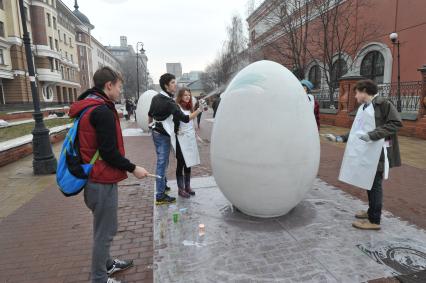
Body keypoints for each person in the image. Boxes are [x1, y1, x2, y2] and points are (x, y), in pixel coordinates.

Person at [69, 66, 149, 283]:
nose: (120, 91)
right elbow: (109, 152)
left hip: (94, 179)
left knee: (101, 228)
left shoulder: (90, 106)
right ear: (109, 85)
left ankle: (107, 264)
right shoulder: (101, 111)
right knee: (106, 232)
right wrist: (134, 168)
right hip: (101, 180)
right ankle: (99, 278)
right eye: (119, 86)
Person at [325, 79, 402, 230]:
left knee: (374, 185)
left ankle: (374, 220)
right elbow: (357, 131)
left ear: (364, 91)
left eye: (356, 93)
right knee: (369, 181)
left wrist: (373, 135)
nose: (355, 96)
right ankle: (371, 211)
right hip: (367, 152)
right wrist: (339, 138)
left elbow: (396, 123)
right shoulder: (364, 107)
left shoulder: (382, 104)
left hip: (379, 152)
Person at [148, 73, 206, 205]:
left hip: (157, 133)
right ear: (166, 85)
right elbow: (185, 119)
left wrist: (150, 126)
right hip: (163, 135)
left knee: (164, 162)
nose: (175, 84)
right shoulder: (169, 102)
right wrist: (199, 110)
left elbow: (150, 114)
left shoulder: (156, 97)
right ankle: (161, 194)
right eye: (173, 82)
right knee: (163, 163)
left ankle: (164, 186)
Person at [174, 87, 201, 198]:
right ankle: (180, 189)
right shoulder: (177, 107)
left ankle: (187, 187)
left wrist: (195, 134)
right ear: (180, 96)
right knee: (180, 164)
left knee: (188, 163)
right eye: (185, 95)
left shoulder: (190, 107)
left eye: (189, 95)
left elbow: (191, 122)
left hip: (189, 139)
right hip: (181, 139)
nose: (187, 97)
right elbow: (185, 119)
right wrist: (198, 111)